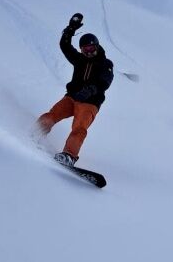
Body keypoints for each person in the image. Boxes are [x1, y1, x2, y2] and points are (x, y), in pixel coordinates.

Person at [36, 13, 114, 166]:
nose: (89, 52)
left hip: (90, 103)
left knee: (79, 128)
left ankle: (69, 155)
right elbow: (64, 46)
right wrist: (70, 29)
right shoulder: (79, 60)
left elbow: (105, 81)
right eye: (85, 49)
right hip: (72, 97)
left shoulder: (106, 63)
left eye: (92, 48)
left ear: (97, 46)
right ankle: (35, 132)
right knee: (53, 114)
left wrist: (90, 90)